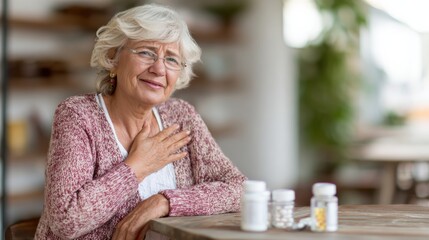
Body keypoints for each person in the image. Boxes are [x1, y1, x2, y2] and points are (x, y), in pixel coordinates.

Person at [35, 4, 246, 240]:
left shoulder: (181, 116)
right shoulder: (78, 115)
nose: (159, 69)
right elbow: (66, 219)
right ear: (113, 57)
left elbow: (240, 189)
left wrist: (164, 202)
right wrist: (137, 167)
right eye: (146, 52)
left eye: (171, 59)